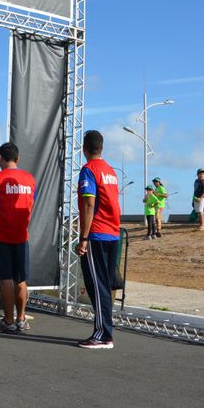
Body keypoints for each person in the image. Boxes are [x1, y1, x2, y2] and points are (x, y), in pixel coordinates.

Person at [0, 142, 36, 334]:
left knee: (5, 278)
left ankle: (8, 320)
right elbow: (31, 205)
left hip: (1, 235)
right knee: (21, 279)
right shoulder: (30, 179)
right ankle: (21, 319)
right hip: (22, 235)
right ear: (18, 158)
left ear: (0, 159)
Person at [75, 130, 121, 349]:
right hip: (113, 232)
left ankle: (103, 335)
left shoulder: (88, 170)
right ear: (101, 148)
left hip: (97, 233)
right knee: (102, 285)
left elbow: (89, 204)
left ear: (84, 148)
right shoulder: (110, 170)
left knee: (98, 285)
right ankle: (103, 330)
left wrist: (83, 237)